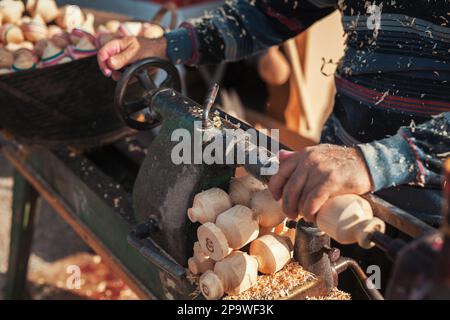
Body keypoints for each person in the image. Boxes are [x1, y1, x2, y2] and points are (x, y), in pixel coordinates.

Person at [98, 0, 450, 225]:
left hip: (431, 222)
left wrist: (371, 163)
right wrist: (167, 44)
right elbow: (271, 13)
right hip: (334, 196)